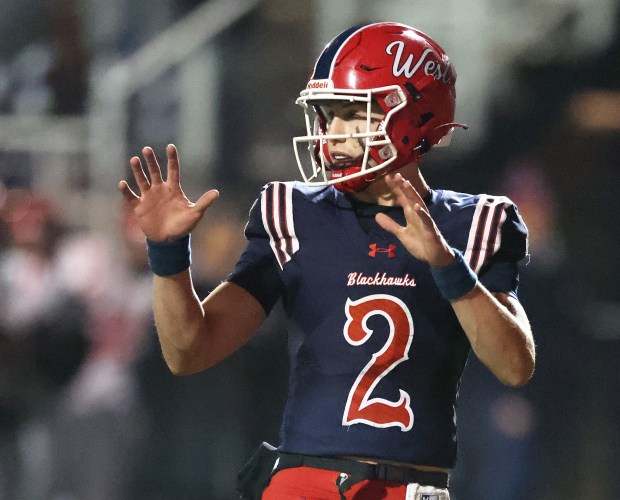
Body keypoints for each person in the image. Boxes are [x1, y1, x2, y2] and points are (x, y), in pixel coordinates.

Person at [119, 22, 535, 500]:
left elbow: (514, 366)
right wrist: (169, 256)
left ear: (411, 116)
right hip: (301, 483)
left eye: (350, 115)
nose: (331, 134)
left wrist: (449, 267)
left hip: (412, 488)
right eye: (327, 115)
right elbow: (189, 351)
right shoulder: (294, 213)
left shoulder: (478, 223)